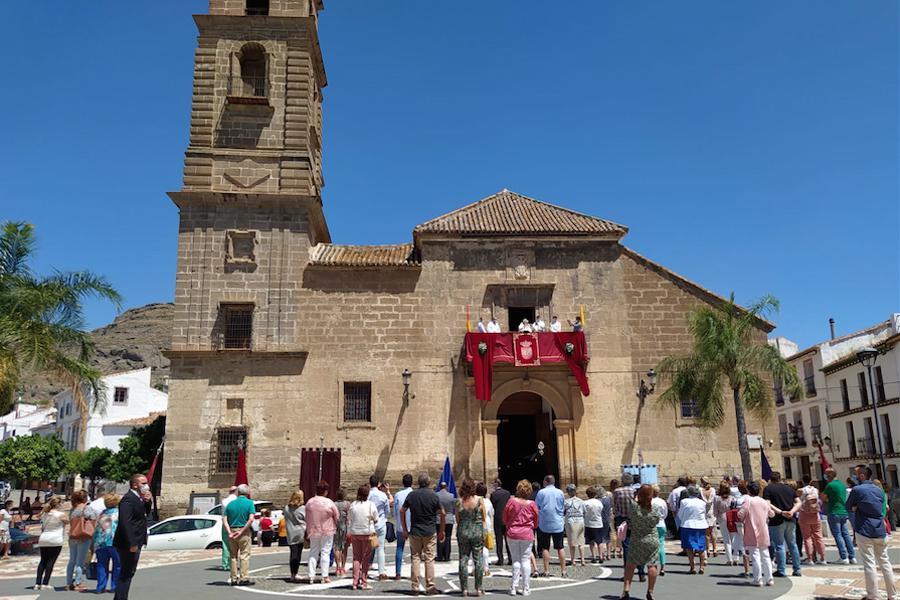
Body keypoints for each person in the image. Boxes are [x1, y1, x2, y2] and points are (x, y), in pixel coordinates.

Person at [846, 465, 896, 600]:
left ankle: (873, 595)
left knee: (869, 563)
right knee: (885, 562)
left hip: (864, 528)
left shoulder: (857, 490)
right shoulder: (879, 490)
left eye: (856, 474)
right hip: (880, 529)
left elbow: (848, 506)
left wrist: (857, 507)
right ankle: (892, 595)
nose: (855, 477)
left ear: (862, 476)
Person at [400, 473, 446, 596]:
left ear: (418, 483)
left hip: (415, 530)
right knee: (429, 558)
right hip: (429, 530)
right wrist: (442, 530)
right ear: (429, 483)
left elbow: (402, 510)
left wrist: (404, 528)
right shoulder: (433, 495)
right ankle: (430, 586)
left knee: (415, 557)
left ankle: (415, 586)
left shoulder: (412, 495)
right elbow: (442, 512)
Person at [113, 473, 151, 600]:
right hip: (128, 543)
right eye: (143, 483)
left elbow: (143, 515)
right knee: (126, 573)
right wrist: (132, 543)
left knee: (129, 572)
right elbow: (125, 522)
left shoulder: (138, 498)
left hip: (137, 540)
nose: (146, 486)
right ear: (135, 485)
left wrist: (148, 501)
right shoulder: (128, 499)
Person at [621, 485, 662, 600]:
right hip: (651, 538)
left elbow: (631, 510)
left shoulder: (634, 507)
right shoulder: (655, 509)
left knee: (630, 565)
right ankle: (650, 592)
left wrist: (638, 497)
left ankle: (626, 590)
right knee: (652, 565)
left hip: (636, 538)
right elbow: (657, 521)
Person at [503, 479, 539, 596]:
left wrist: (509, 524)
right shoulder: (532, 504)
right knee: (525, 560)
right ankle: (526, 588)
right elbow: (536, 520)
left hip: (513, 533)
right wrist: (532, 526)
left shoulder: (511, 501)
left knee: (516, 560)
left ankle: (514, 587)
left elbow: (504, 517)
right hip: (527, 533)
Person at [762, 471, 801, 577]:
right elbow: (798, 502)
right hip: (791, 519)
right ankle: (797, 569)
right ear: (780, 478)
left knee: (779, 545)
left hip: (777, 520)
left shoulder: (768, 489)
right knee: (793, 544)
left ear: (770, 479)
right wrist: (792, 511)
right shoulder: (789, 488)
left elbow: (768, 504)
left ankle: (781, 570)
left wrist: (780, 512)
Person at [738, 481, 776, 587]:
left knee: (755, 556)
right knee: (766, 555)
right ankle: (769, 578)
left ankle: (758, 579)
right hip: (763, 530)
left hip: (751, 530)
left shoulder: (748, 501)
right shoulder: (764, 501)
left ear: (749, 491)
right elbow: (772, 514)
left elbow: (741, 514)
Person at [455, 478, 486, 596]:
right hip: (477, 530)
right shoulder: (479, 500)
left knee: (463, 559)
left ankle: (464, 589)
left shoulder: (459, 501)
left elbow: (457, 519)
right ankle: (479, 588)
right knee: (478, 559)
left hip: (463, 530)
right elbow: (483, 516)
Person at [305, 479, 338, 584]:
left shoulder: (309, 502)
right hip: (327, 530)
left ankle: (311, 575)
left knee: (313, 552)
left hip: (313, 530)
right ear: (326, 491)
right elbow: (336, 516)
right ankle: (325, 576)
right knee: (325, 552)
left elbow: (306, 517)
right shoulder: (329, 502)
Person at [822, 467, 857, 565]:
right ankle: (852, 556)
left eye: (826, 474)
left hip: (834, 511)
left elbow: (823, 497)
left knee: (837, 535)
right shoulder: (841, 484)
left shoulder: (830, 485)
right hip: (843, 511)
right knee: (846, 534)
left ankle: (843, 557)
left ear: (829, 475)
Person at [534, 475, 567, 577]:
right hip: (558, 522)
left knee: (545, 548)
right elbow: (563, 506)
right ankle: (564, 571)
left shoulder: (541, 492)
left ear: (545, 482)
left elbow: (536, 506)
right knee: (560, 547)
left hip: (544, 523)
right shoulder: (560, 492)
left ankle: (547, 570)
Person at [66, 489, 98, 591]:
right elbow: (94, 518)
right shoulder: (86, 508)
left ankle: (68, 583)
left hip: (73, 535)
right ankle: (78, 582)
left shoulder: (73, 509)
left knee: (72, 560)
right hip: (84, 536)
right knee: (80, 561)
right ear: (84, 498)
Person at [224, 484, 255, 586]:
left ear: (238, 492)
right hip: (244, 531)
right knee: (244, 555)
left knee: (233, 556)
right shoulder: (249, 503)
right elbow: (251, 519)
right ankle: (244, 578)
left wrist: (229, 532)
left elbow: (224, 520)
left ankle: (233, 578)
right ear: (247, 492)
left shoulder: (230, 504)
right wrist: (241, 531)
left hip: (232, 530)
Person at [614, 474, 644, 580]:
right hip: (636, 519)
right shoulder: (636, 491)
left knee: (626, 546)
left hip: (622, 519)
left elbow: (615, 506)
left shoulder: (617, 491)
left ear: (622, 481)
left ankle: (628, 573)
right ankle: (641, 572)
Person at [348, 484, 378, 591]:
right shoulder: (370, 505)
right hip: (367, 533)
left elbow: (350, 518)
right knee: (365, 558)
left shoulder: (353, 505)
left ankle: (355, 582)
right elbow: (376, 518)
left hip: (355, 532)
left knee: (356, 557)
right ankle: (364, 581)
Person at [34, 497, 67, 590]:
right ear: (59, 504)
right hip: (55, 538)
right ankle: (45, 583)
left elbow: (41, 524)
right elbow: (67, 521)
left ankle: (37, 583)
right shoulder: (61, 514)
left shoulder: (45, 514)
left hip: (44, 537)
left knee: (43, 561)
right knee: (51, 561)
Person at [793, 475, 826, 565]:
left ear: (802, 481)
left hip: (804, 514)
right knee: (818, 536)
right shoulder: (816, 490)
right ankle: (823, 558)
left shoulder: (800, 490)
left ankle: (810, 558)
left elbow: (796, 500)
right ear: (811, 481)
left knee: (807, 537)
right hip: (815, 515)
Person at [676, 486, 708, 574]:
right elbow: (704, 513)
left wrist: (684, 519)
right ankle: (701, 567)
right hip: (700, 525)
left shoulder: (684, 501)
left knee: (689, 547)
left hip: (688, 525)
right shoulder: (702, 503)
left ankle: (692, 567)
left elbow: (680, 514)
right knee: (701, 547)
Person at [93, 494, 120, 594]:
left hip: (101, 542)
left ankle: (100, 587)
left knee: (101, 565)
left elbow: (96, 528)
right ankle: (115, 586)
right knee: (117, 565)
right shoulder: (119, 513)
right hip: (114, 541)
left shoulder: (102, 514)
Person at [367, 475, 393, 579]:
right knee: (380, 548)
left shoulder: (367, 494)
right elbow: (387, 511)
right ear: (378, 484)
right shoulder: (382, 495)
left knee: (367, 548)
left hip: (369, 523)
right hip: (381, 523)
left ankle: (365, 569)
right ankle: (381, 571)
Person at [393, 474, 414, 580]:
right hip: (413, 525)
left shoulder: (398, 495)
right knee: (414, 551)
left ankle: (398, 573)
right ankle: (414, 572)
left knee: (399, 548)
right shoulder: (414, 494)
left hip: (401, 524)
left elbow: (395, 511)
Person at [283, 490, 307, 582]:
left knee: (293, 553)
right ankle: (295, 573)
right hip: (300, 532)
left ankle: (292, 574)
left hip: (290, 532)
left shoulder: (286, 508)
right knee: (298, 554)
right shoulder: (302, 508)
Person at [489, 480, 511, 566]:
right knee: (508, 539)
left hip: (498, 518)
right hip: (506, 518)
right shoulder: (507, 493)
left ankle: (500, 559)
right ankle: (510, 558)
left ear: (496, 484)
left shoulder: (493, 494)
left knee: (499, 540)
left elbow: (492, 506)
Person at [563, 483, 586, 567]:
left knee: (572, 542)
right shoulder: (581, 501)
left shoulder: (566, 502)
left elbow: (563, 512)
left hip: (571, 522)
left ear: (568, 492)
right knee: (581, 542)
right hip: (580, 521)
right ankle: (582, 560)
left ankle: (573, 560)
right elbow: (584, 512)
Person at [475, 481, 494, 577]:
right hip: (486, 525)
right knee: (485, 548)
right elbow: (492, 513)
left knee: (475, 548)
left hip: (476, 525)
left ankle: (474, 569)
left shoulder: (474, 500)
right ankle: (486, 569)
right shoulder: (488, 502)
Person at [714, 480, 734, 565]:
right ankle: (735, 557)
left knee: (726, 539)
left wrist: (716, 517)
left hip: (722, 518)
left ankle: (729, 559)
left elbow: (715, 511)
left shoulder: (717, 498)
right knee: (733, 538)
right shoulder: (732, 498)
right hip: (731, 517)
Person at [435, 481, 456, 562]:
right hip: (449, 518)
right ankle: (447, 556)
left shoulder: (436, 495)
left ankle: (440, 555)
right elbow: (453, 507)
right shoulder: (451, 496)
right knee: (448, 537)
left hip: (439, 518)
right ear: (446, 487)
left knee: (439, 537)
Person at [583, 487, 605, 564]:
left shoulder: (585, 503)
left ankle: (594, 557)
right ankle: (601, 556)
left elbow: (584, 512)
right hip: (598, 523)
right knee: (600, 541)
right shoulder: (599, 502)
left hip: (589, 523)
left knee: (591, 541)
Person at [650, 486, 668, 576]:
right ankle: (663, 567)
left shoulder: (649, 501)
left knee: (651, 546)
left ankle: (653, 565)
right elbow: (665, 514)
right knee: (661, 546)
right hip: (661, 524)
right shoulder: (662, 501)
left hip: (651, 525)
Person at [333, 487, 350, 577]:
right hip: (345, 526)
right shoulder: (347, 504)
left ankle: (338, 567)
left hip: (336, 526)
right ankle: (343, 567)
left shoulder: (334, 504)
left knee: (336, 547)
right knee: (344, 547)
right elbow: (349, 516)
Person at [220, 486, 237, 571]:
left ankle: (225, 564)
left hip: (225, 523)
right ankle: (233, 563)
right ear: (236, 491)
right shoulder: (236, 501)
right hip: (235, 523)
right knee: (236, 545)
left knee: (225, 544)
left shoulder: (224, 501)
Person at [699, 478, 717, 558]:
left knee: (706, 533)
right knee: (712, 531)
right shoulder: (712, 490)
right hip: (711, 511)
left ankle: (708, 549)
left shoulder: (701, 491)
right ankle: (715, 549)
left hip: (704, 511)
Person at [599, 485, 613, 561]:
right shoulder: (608, 500)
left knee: (602, 539)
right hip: (608, 520)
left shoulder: (599, 501)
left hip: (601, 520)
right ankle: (608, 554)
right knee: (608, 538)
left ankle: (602, 554)